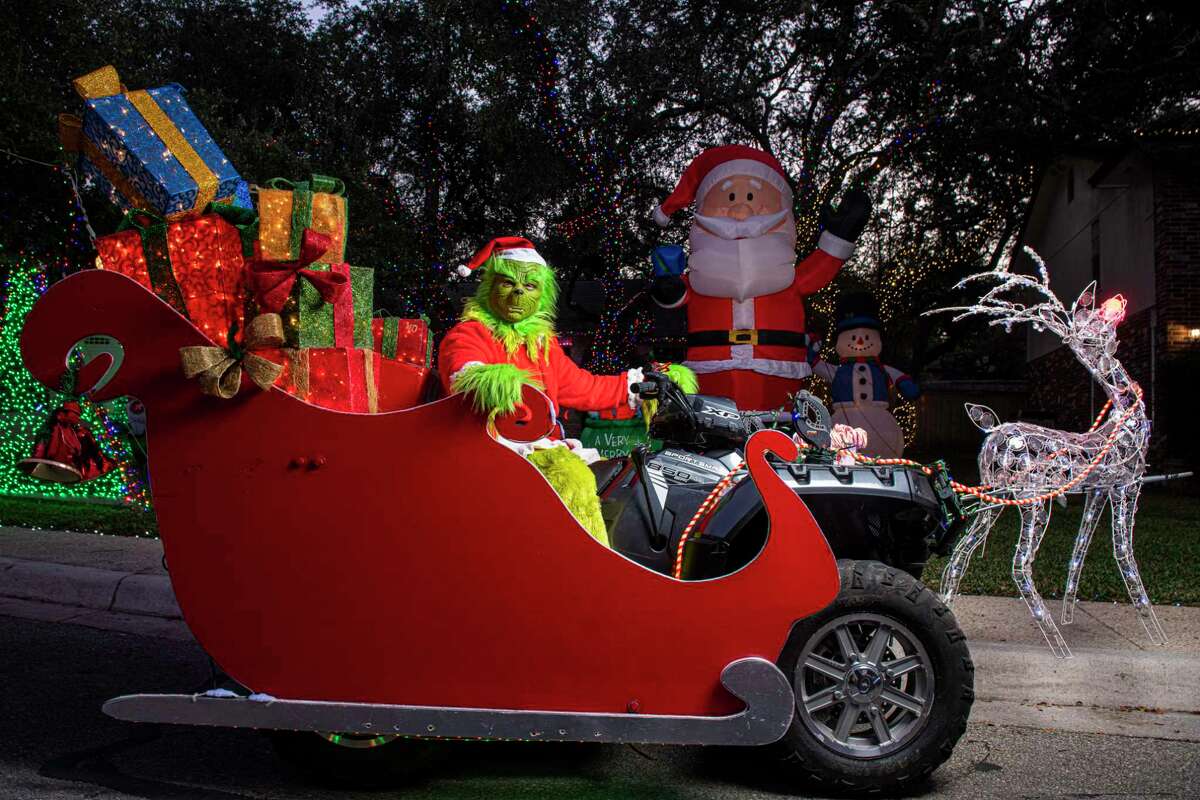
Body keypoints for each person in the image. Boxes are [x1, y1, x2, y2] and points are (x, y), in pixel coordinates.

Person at [439, 236, 648, 546]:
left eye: (530, 286)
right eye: (507, 283)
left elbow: (583, 387)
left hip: (538, 451)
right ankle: (586, 569)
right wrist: (493, 382)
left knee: (621, 476)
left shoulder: (543, 347)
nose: (518, 292)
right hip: (492, 451)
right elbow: (462, 370)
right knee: (571, 478)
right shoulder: (471, 332)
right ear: (490, 285)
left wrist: (641, 385)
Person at [649, 145, 871, 410]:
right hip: (711, 367)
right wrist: (667, 289)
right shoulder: (701, 277)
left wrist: (839, 236)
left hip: (777, 368)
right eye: (730, 197)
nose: (741, 212)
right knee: (717, 431)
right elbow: (679, 294)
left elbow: (815, 274)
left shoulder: (786, 275)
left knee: (775, 433)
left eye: (752, 197)